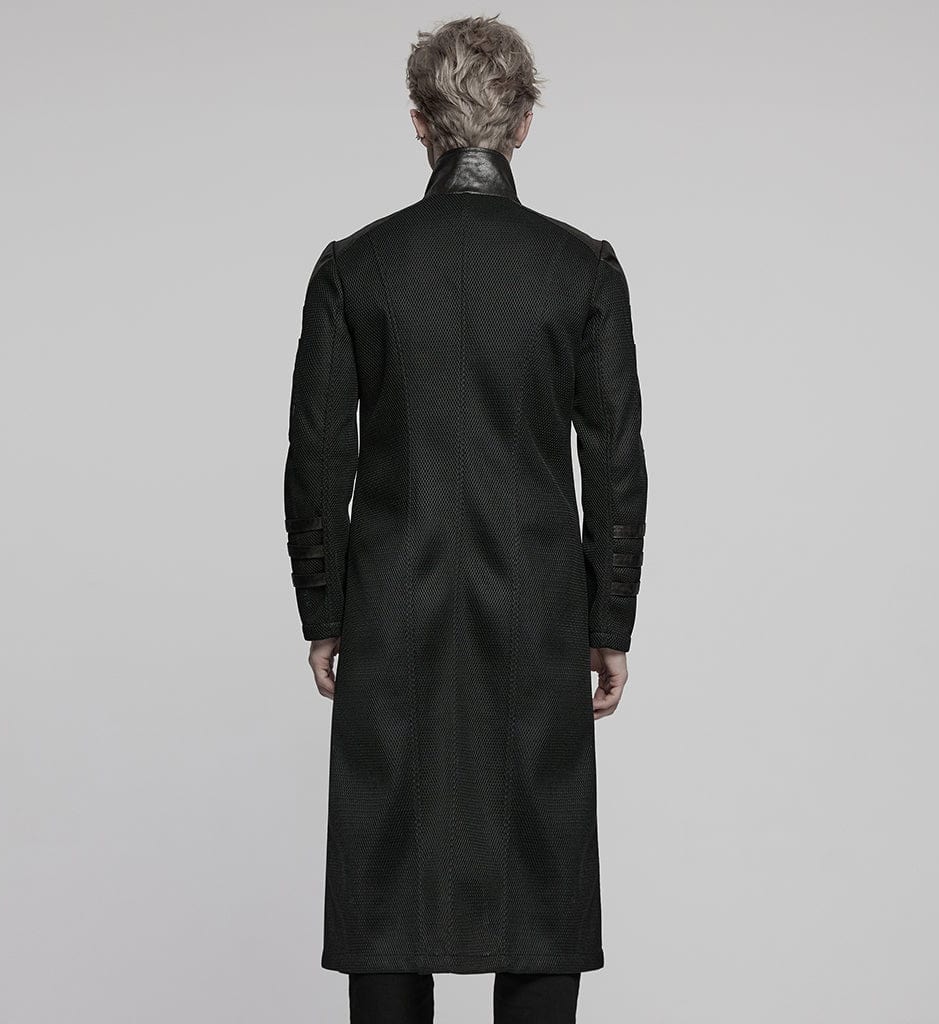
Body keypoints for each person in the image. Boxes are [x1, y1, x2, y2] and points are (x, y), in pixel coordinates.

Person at [283, 15, 648, 1023]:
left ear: (418, 122)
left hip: (391, 617)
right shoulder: (582, 269)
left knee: (386, 893)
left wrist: (324, 609)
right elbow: (614, 460)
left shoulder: (354, 266)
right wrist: (608, 621)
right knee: (540, 887)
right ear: (522, 125)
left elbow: (318, 455)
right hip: (538, 620)